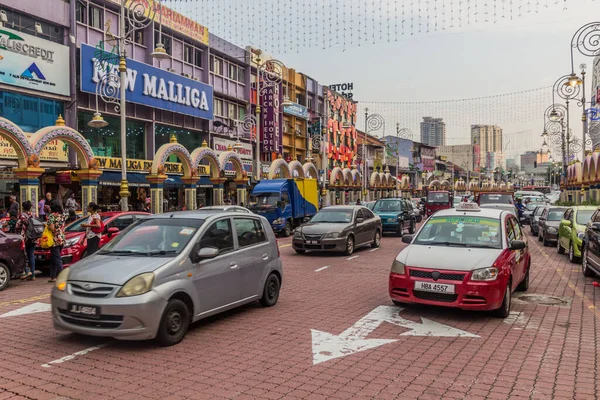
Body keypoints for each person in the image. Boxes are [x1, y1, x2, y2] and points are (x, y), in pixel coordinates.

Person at [16, 201, 36, 281]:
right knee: (31, 255)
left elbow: (17, 226)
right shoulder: (33, 215)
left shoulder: (22, 216)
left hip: (24, 238)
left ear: (23, 207)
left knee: (22, 255)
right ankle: (33, 275)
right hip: (33, 237)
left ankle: (27, 271)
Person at [47, 201, 66, 283]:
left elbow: (51, 227)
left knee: (57, 258)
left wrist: (47, 226)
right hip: (61, 237)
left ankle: (62, 276)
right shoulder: (62, 215)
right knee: (54, 258)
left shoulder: (52, 216)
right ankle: (52, 276)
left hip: (54, 239)